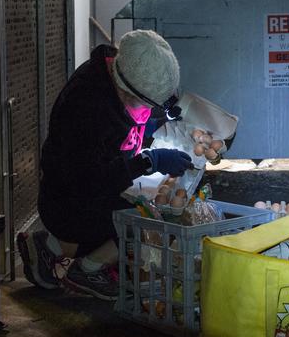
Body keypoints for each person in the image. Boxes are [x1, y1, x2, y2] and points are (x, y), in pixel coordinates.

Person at [17, 30, 193, 300]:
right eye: (144, 103)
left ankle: (47, 247)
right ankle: (86, 271)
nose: (147, 111)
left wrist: (155, 122)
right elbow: (92, 180)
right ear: (124, 87)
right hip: (69, 200)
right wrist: (149, 161)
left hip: (85, 194)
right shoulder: (87, 107)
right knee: (141, 220)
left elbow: (124, 127)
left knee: (134, 212)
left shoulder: (123, 67)